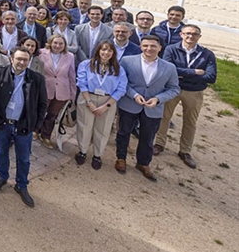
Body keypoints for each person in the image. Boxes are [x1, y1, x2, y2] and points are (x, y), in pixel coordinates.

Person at [0, 46, 48, 207]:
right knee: (1, 151)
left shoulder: (37, 79)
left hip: (24, 126)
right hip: (2, 124)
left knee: (24, 158)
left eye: (25, 60)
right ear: (11, 59)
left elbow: (42, 104)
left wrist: (35, 125)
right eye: (18, 59)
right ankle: (2, 176)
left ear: (29, 61)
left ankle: (21, 184)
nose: (21, 62)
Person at [116, 36, 181, 181]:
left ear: (160, 48)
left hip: (153, 108)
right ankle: (121, 158)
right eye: (145, 46)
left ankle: (143, 163)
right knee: (123, 132)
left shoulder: (169, 67)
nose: (149, 49)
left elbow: (174, 89)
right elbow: (121, 82)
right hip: (130, 103)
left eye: (153, 46)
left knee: (148, 137)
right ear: (140, 46)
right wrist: (134, 95)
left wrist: (158, 99)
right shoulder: (127, 61)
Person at [156, 24, 217, 169]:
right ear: (181, 34)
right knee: (164, 117)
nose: (191, 36)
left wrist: (181, 74)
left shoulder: (207, 54)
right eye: (187, 33)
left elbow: (211, 77)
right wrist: (195, 72)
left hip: (194, 92)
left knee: (190, 121)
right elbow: (169, 69)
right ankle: (159, 144)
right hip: (172, 89)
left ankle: (185, 151)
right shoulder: (171, 49)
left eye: (194, 34)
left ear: (199, 37)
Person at [75, 40, 127, 169]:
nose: (106, 52)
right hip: (87, 98)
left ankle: (97, 155)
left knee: (103, 129)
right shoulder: (85, 65)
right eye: (103, 49)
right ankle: (82, 151)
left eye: (110, 50)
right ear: (98, 50)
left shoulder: (119, 69)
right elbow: (82, 83)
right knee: (84, 126)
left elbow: (121, 89)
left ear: (113, 53)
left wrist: (106, 106)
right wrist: (89, 103)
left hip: (108, 101)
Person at [36, 34, 77, 149]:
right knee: (40, 111)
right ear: (50, 43)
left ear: (64, 45)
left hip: (62, 91)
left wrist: (72, 94)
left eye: (61, 43)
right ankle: (36, 130)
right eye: (55, 43)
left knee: (52, 115)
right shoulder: (41, 53)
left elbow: (72, 75)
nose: (57, 46)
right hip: (45, 88)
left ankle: (46, 136)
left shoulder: (70, 56)